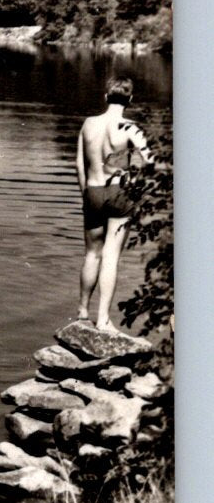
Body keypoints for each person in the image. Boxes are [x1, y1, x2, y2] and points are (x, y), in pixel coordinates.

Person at [76, 77, 155, 331]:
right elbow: (150, 161)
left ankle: (82, 313)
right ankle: (103, 319)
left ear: (105, 96)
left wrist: (85, 195)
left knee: (92, 254)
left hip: (93, 190)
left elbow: (79, 164)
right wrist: (137, 186)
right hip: (120, 191)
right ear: (130, 100)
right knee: (111, 255)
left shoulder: (89, 124)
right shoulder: (131, 128)